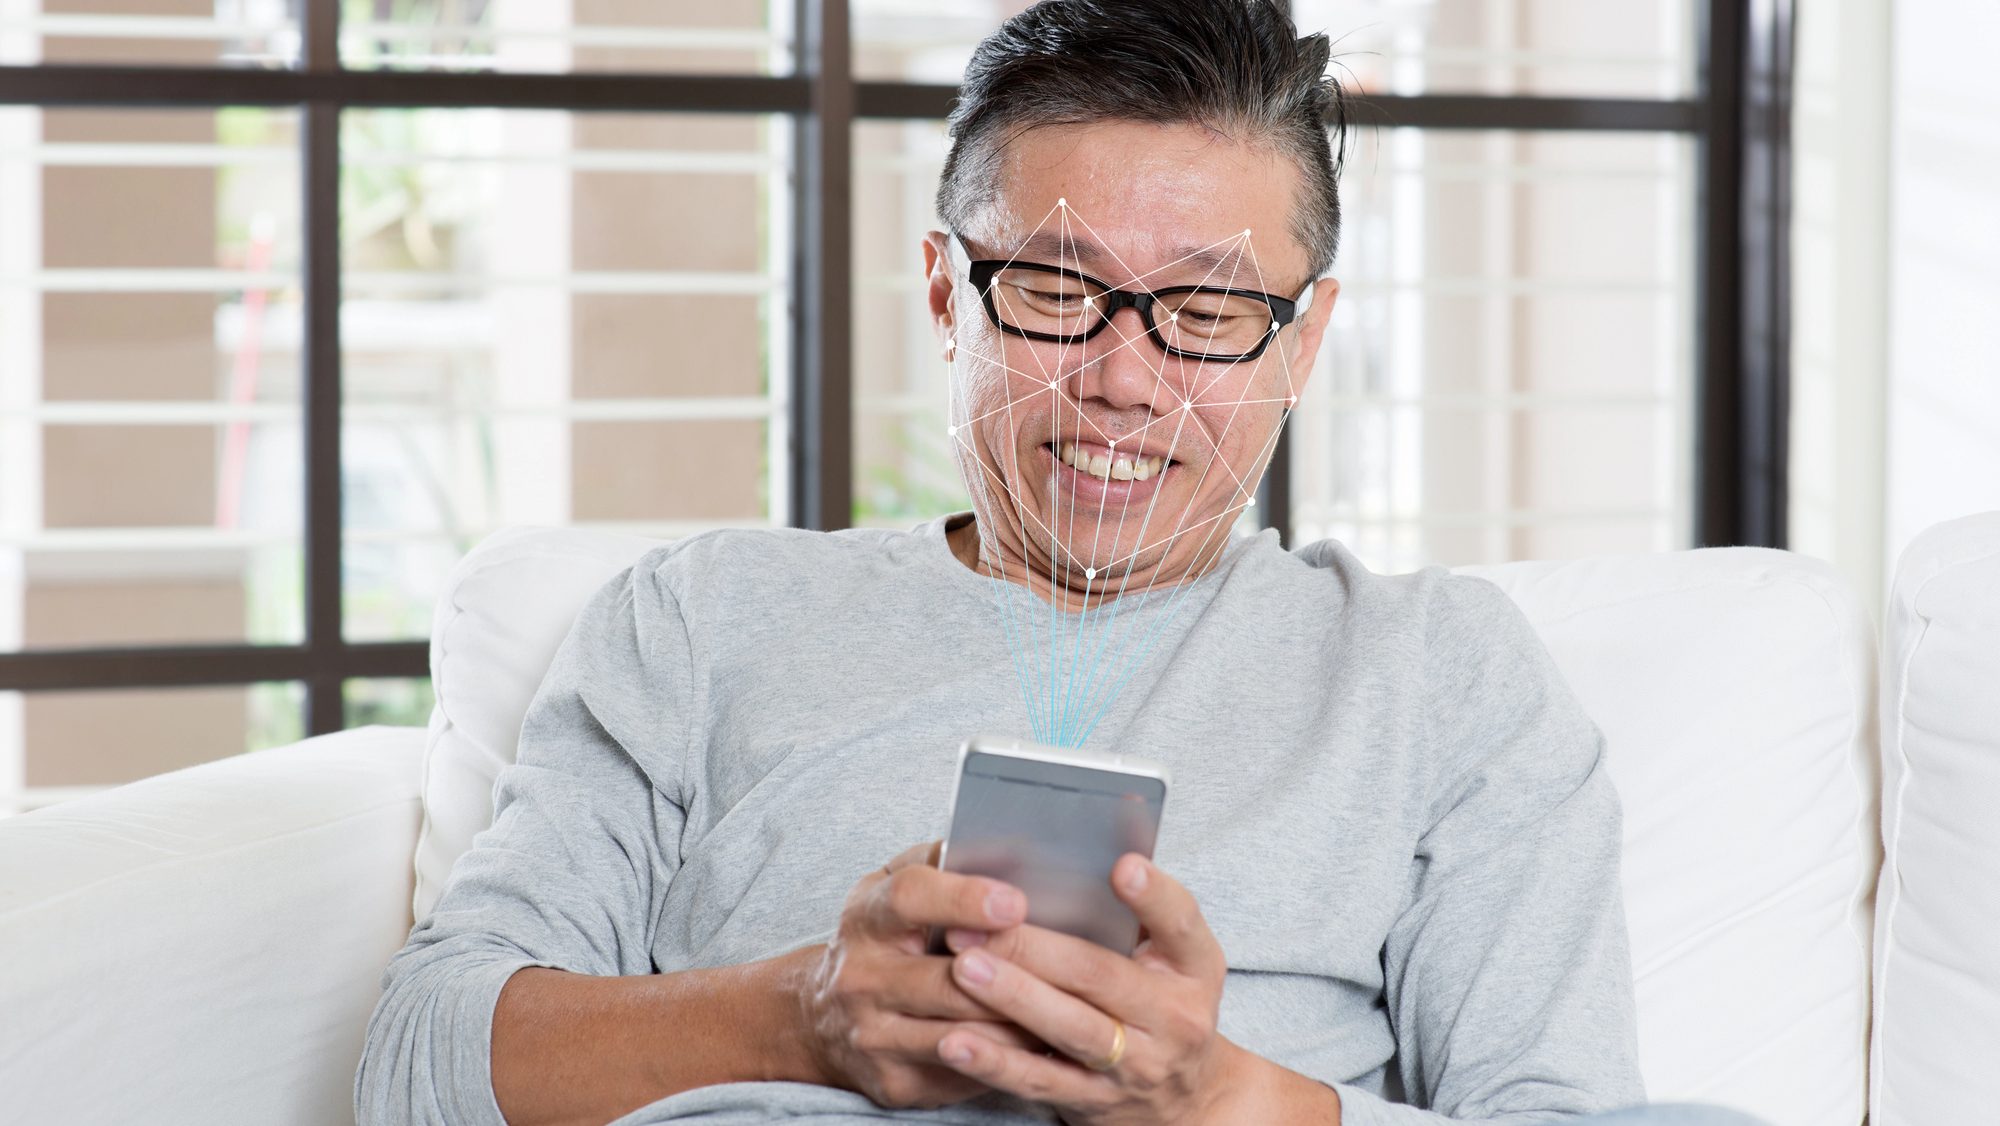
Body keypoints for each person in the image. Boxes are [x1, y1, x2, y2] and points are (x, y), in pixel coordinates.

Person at [357, 3, 1764, 1124]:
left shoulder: (1435, 671)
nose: (1122, 381)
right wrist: (810, 1018)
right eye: (1055, 290)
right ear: (942, 289)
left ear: (1307, 339)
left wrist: (1219, 1099)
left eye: (1208, 309)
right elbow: (418, 1065)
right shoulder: (704, 616)